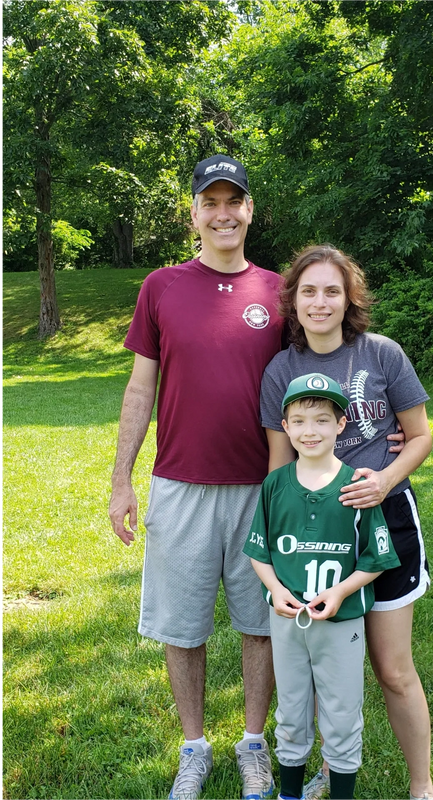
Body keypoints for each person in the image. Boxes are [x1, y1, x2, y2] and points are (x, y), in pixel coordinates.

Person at [108, 154, 285, 800]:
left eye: (232, 201)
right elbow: (139, 387)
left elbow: (313, 387)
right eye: (209, 202)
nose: (222, 213)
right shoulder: (160, 287)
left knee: (261, 623)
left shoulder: (278, 292)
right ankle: (193, 748)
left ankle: (254, 746)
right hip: (180, 485)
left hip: (262, 490)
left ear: (249, 210)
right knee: (182, 628)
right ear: (193, 214)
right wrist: (122, 481)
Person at [260, 245, 433, 800]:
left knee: (392, 668)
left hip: (384, 522)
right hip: (313, 536)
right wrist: (278, 547)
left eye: (332, 290)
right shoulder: (281, 370)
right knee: (318, 664)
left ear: (349, 298)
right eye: (309, 291)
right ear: (293, 301)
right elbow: (278, 468)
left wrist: (384, 480)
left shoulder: (382, 354)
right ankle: (330, 769)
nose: (321, 302)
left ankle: (421, 785)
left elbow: (421, 436)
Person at [244, 373, 401, 800]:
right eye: (298, 421)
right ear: (286, 427)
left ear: (341, 424)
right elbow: (260, 551)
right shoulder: (276, 484)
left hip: (340, 620)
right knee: (292, 711)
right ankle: (290, 793)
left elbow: (376, 557)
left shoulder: (356, 485)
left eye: (320, 420)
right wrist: (275, 589)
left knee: (342, 714)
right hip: (288, 619)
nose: (309, 430)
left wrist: (341, 591)